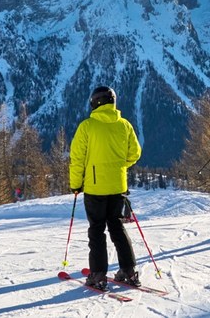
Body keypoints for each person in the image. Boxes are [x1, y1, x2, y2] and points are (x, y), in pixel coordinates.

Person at [69, 85, 142, 290]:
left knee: (97, 230)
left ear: (94, 103)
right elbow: (135, 153)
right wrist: (119, 166)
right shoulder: (124, 125)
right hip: (118, 186)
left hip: (95, 189)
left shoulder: (87, 126)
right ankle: (129, 270)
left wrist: (76, 184)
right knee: (117, 228)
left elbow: (77, 160)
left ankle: (98, 275)